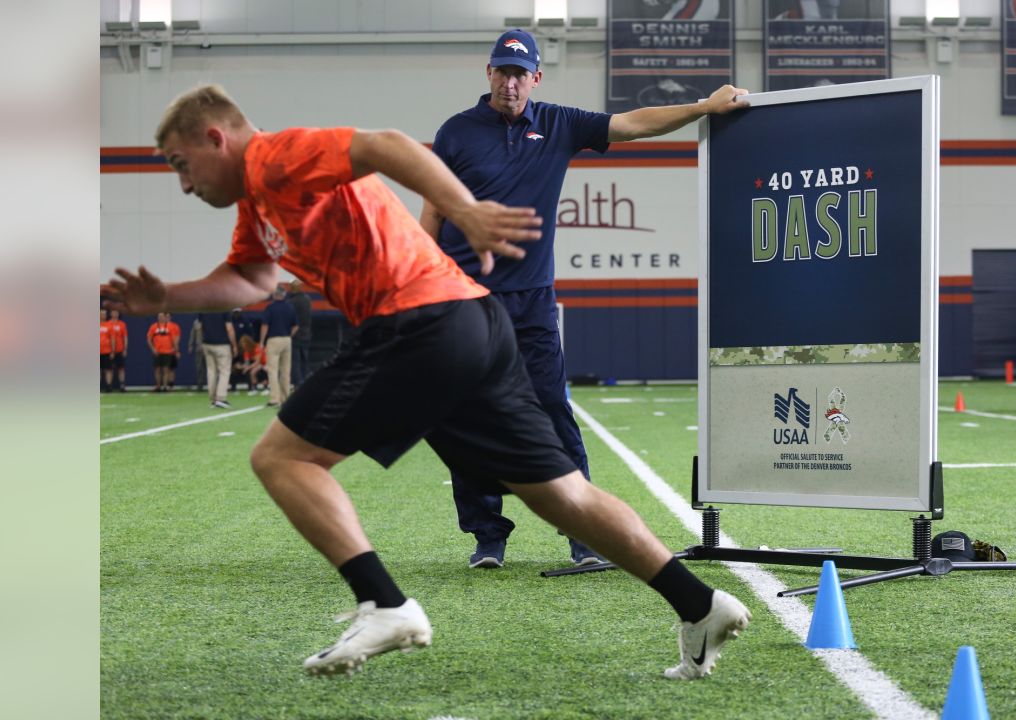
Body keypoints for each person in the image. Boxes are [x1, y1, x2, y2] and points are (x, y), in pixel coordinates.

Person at [101, 84, 750, 679]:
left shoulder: (274, 157)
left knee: (281, 456)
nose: (182, 184)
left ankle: (384, 604)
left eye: (178, 164)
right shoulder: (259, 204)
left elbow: (384, 145)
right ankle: (699, 605)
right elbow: (250, 280)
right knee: (561, 497)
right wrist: (170, 295)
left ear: (216, 139)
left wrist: (464, 211)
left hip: (420, 321)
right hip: (474, 323)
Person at [426, 29, 749, 569]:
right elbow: (433, 208)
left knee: (553, 412)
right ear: (488, 74)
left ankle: (583, 535)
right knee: (468, 414)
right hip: (465, 296)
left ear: (536, 77)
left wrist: (705, 108)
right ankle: (487, 535)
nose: (510, 82)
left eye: (519, 73)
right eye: (501, 72)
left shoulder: (557, 124)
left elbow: (632, 124)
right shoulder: (456, 133)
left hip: (530, 301)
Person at [259, 285, 298, 407]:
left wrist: (261, 341)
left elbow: (265, 326)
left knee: (273, 370)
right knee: (286, 371)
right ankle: (285, 398)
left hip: (274, 340)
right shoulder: (290, 307)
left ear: (274, 295)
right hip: (287, 340)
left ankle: (275, 399)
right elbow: (296, 326)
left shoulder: (270, 308)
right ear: (284, 294)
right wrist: (289, 336)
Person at [199, 310, 236, 408]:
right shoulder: (224, 307)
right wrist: (234, 345)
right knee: (224, 371)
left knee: (211, 371)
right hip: (222, 344)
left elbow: (200, 327)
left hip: (207, 343)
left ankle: (213, 398)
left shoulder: (204, 307)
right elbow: (229, 328)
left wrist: (201, 342)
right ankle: (221, 398)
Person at [286, 279, 313, 386]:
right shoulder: (307, 299)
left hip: (294, 334)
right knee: (304, 360)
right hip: (306, 333)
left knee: (295, 361)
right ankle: (306, 382)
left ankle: (297, 383)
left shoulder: (290, 302)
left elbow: (289, 320)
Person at [146, 311, 180, 392]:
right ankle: (158, 386)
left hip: (167, 352)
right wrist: (153, 349)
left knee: (166, 369)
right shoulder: (153, 327)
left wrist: (176, 350)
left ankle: (165, 386)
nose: (160, 318)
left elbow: (174, 340)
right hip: (157, 351)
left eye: (162, 316)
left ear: (165, 317)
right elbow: (149, 339)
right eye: (159, 316)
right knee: (157, 369)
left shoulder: (170, 327)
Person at [108, 309, 129, 391]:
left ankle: (122, 385)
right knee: (109, 368)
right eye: (113, 312)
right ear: (111, 313)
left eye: (116, 312)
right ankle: (109, 385)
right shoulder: (107, 324)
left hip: (120, 349)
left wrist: (125, 348)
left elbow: (125, 337)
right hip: (108, 350)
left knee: (121, 368)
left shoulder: (122, 324)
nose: (115, 314)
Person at [99, 308, 116, 392]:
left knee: (108, 369)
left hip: (106, 351)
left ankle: (108, 386)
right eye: (102, 314)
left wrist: (112, 351)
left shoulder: (109, 326)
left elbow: (112, 339)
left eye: (105, 314)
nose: (103, 315)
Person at [188, 315, 206, 391]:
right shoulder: (196, 322)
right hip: (199, 349)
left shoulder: (210, 320)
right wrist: (190, 345)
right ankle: (200, 384)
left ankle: (213, 385)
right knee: (199, 368)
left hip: (209, 347)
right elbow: (192, 334)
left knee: (211, 368)